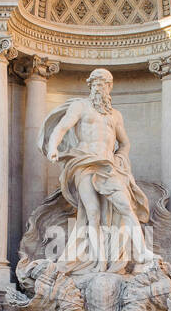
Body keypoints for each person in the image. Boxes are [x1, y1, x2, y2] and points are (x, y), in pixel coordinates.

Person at [39, 67, 156, 271]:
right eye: (96, 83)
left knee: (126, 207)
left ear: (110, 87)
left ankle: (141, 251)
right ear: (90, 85)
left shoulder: (115, 115)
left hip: (108, 166)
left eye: (104, 83)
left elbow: (125, 143)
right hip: (83, 163)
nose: (100, 86)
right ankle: (99, 261)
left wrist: (121, 158)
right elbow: (62, 127)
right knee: (92, 213)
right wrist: (53, 148)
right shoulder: (80, 106)